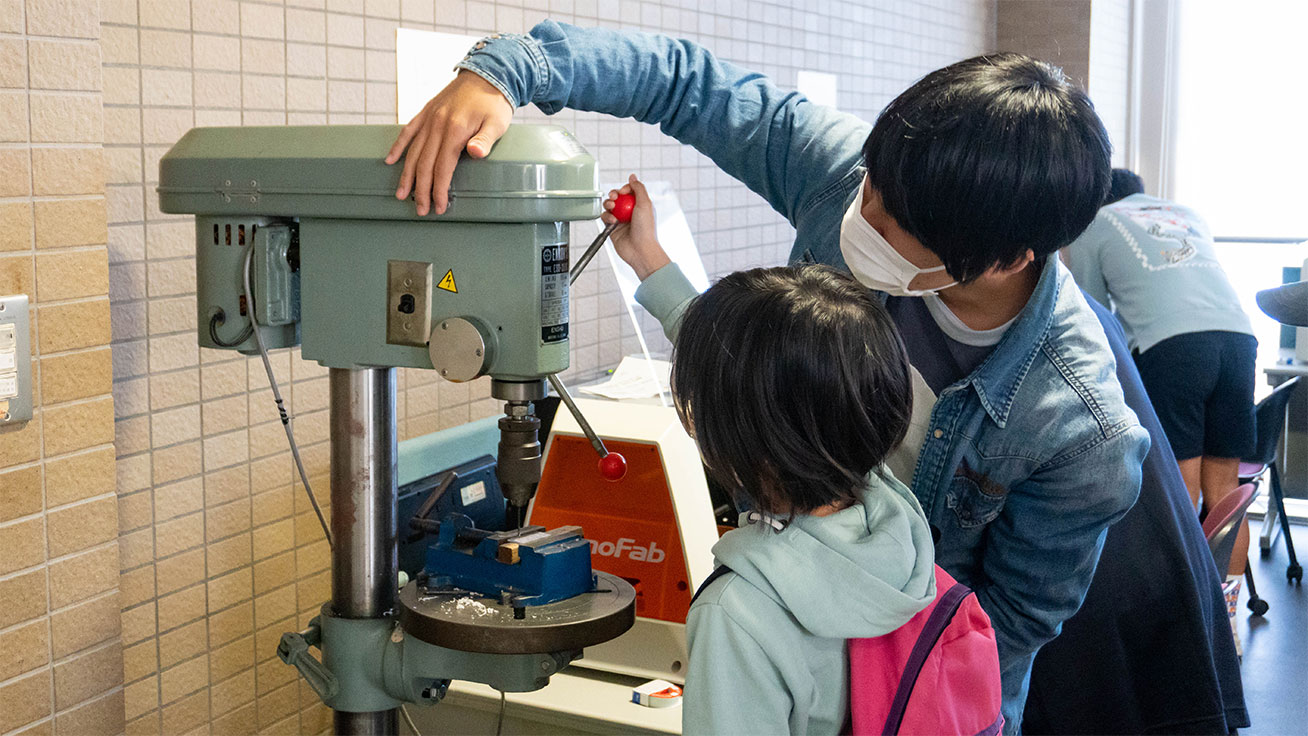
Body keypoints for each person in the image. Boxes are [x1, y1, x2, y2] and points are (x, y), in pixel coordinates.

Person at [385, 24, 1150, 731]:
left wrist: (864, 694)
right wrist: (505, 72)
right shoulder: (859, 177)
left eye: (889, 226)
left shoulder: (1078, 431)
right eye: (869, 188)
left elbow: (1000, 634)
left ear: (1009, 257)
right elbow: (688, 83)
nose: (860, 221)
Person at [1062, 169, 1258, 579]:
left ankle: (1188, 623)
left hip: (1175, 349)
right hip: (1239, 340)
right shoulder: (1186, 213)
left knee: (1181, 496)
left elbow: (1091, 316)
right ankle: (1228, 621)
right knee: (1226, 493)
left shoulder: (1093, 225)